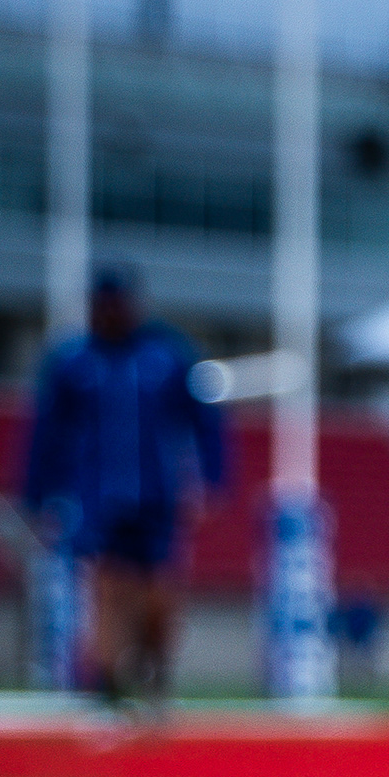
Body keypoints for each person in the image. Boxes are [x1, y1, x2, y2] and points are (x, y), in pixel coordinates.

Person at [17, 263, 226, 714]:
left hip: (156, 495)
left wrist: (212, 477)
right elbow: (46, 430)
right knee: (108, 584)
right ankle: (107, 678)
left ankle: (155, 670)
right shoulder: (74, 361)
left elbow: (205, 420)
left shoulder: (165, 355)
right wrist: (37, 493)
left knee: (158, 592)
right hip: (98, 494)